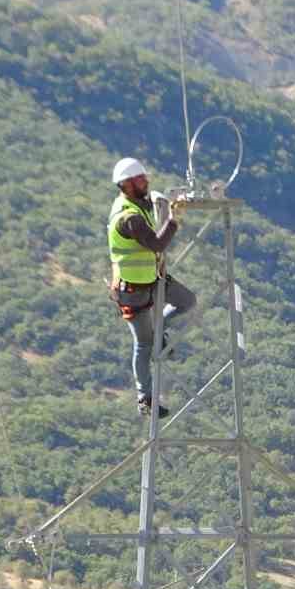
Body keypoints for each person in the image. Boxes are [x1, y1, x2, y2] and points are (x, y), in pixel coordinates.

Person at [108, 157, 196, 418]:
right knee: (144, 344)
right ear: (126, 184)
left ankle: (161, 330)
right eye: (140, 179)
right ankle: (145, 397)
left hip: (154, 279)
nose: (145, 181)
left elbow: (155, 201)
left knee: (187, 301)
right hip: (132, 289)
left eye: (144, 177)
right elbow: (156, 244)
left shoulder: (140, 204)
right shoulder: (128, 218)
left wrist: (170, 203)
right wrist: (174, 221)